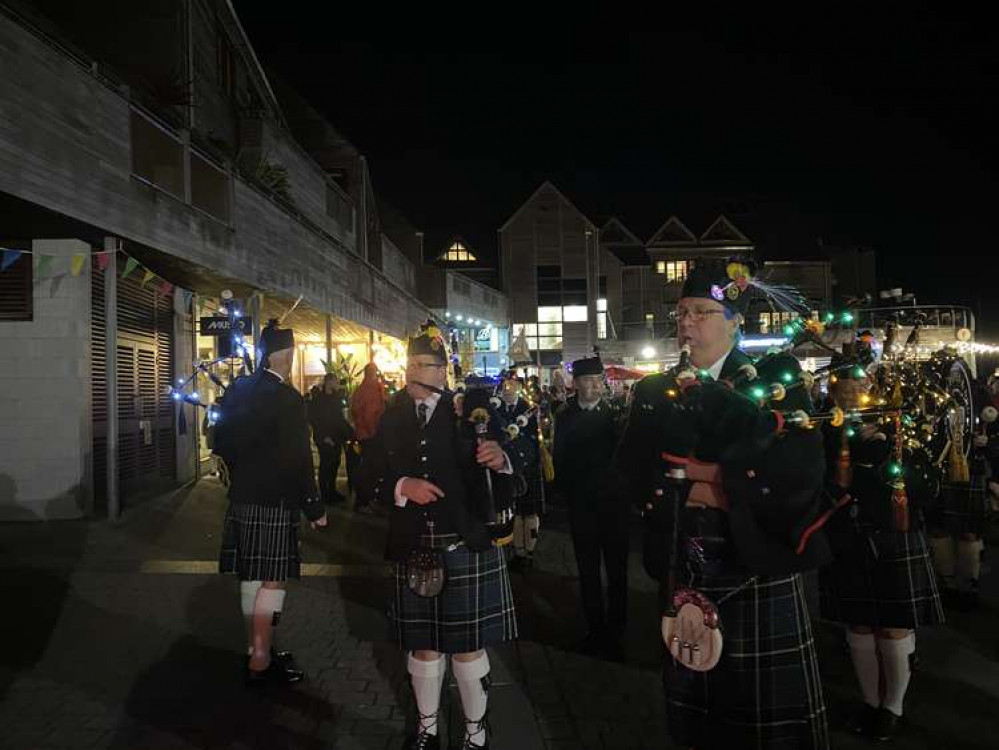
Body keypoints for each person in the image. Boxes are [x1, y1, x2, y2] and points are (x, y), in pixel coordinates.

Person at [617, 258, 830, 749]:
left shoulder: (776, 376)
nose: (686, 321)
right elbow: (628, 468)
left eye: (702, 311)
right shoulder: (654, 389)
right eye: (682, 311)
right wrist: (682, 486)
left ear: (735, 321)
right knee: (694, 716)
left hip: (755, 565)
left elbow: (801, 468)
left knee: (761, 721)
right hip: (683, 564)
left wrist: (711, 478)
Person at [358, 323, 525, 750]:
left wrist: (501, 462)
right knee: (424, 647)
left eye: (435, 365)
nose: (427, 372)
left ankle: (475, 733)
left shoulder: (470, 413)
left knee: (467, 647)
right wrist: (401, 487)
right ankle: (427, 730)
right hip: (415, 547)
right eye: (419, 364)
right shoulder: (390, 414)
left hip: (463, 543)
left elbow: (511, 481)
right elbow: (366, 479)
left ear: (444, 370)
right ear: (408, 367)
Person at [818, 346, 944, 741]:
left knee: (892, 627)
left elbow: (925, 484)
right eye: (845, 383)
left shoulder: (897, 426)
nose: (854, 390)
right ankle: (871, 702)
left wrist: (890, 446)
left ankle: (894, 707)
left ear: (871, 384)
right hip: (849, 535)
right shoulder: (824, 429)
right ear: (833, 389)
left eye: (860, 382)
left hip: (893, 533)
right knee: (858, 625)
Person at [213, 320, 328, 685]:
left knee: (250, 575)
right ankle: (262, 659)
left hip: (243, 496)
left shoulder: (238, 388)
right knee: (273, 580)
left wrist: (239, 471)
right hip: (275, 500)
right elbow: (298, 458)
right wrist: (314, 505)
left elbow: (220, 440)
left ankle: (254, 648)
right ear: (286, 356)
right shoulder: (289, 398)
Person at [553, 353, 628, 659]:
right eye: (588, 381)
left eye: (599, 381)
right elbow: (560, 458)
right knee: (587, 572)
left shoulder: (617, 416)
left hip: (613, 509)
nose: (595, 387)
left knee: (618, 572)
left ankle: (617, 632)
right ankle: (595, 630)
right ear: (576, 384)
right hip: (581, 507)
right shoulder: (564, 415)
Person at [497, 372, 545, 572]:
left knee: (529, 513)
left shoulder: (529, 409)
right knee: (514, 513)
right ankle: (517, 552)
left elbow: (538, 437)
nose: (510, 387)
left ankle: (530, 551)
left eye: (514, 383)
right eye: (507, 383)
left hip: (528, 465)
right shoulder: (495, 407)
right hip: (505, 467)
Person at [308, 374, 353, 505]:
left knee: (334, 464)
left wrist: (348, 433)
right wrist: (324, 437)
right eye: (336, 381)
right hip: (325, 438)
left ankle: (331, 491)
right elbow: (316, 420)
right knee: (326, 466)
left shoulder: (334, 398)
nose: (337, 384)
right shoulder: (319, 399)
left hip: (336, 436)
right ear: (330, 382)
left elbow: (338, 418)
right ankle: (325, 494)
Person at [350, 362, 388, 512]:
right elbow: (368, 415)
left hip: (366, 434)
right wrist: (374, 433)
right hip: (370, 435)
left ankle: (366, 499)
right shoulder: (369, 389)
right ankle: (363, 501)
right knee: (369, 469)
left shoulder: (365, 389)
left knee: (369, 468)